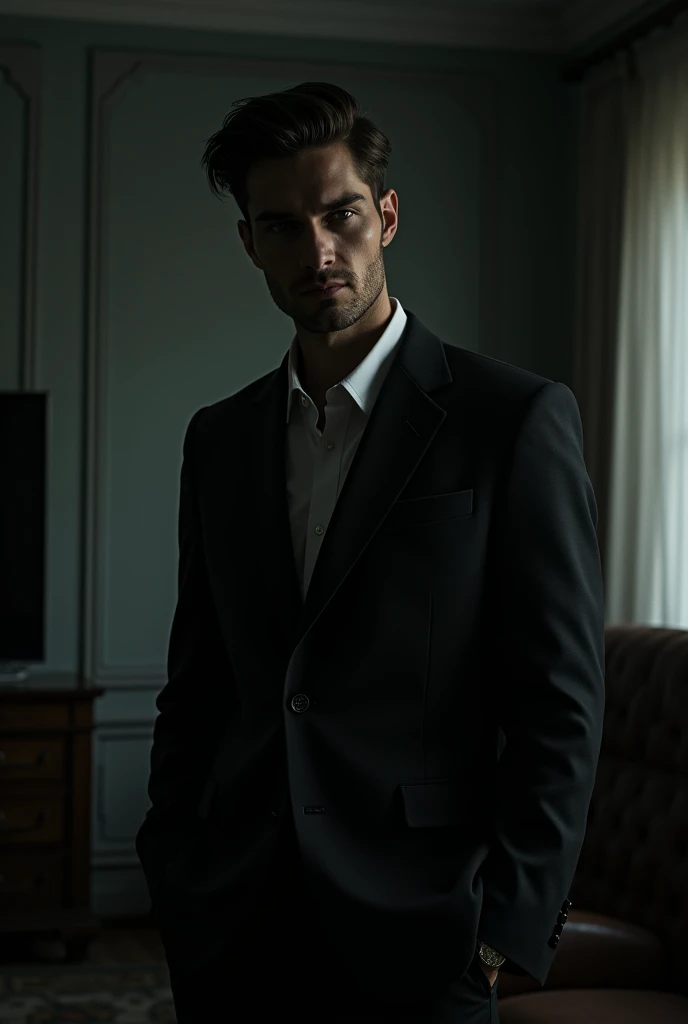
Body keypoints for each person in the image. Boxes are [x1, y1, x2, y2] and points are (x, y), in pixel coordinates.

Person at [135, 81, 605, 1023]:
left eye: (339, 213)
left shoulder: (511, 420)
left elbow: (561, 704)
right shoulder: (217, 439)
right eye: (281, 226)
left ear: (384, 215)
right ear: (250, 245)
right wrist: (176, 865)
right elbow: (200, 681)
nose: (317, 251)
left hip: (426, 930)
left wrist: (505, 928)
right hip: (234, 919)